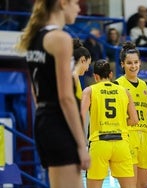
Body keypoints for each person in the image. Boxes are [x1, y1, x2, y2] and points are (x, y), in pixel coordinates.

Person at [15, 1, 89, 188]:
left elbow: (34, 91)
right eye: (76, 3)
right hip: (59, 123)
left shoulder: (33, 38)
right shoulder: (60, 38)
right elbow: (65, 97)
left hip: (43, 121)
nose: (79, 9)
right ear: (63, 3)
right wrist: (82, 145)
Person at [114, 41, 147, 188]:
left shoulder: (146, 86)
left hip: (144, 137)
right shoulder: (117, 85)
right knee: (129, 185)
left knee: (143, 184)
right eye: (129, 63)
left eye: (136, 62)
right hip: (127, 137)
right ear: (122, 65)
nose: (133, 66)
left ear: (140, 63)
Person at [80, 59, 138, 188]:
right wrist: (119, 123)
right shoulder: (125, 91)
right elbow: (135, 120)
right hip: (121, 143)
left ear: (95, 76)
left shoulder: (89, 91)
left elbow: (80, 118)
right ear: (111, 74)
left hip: (99, 143)